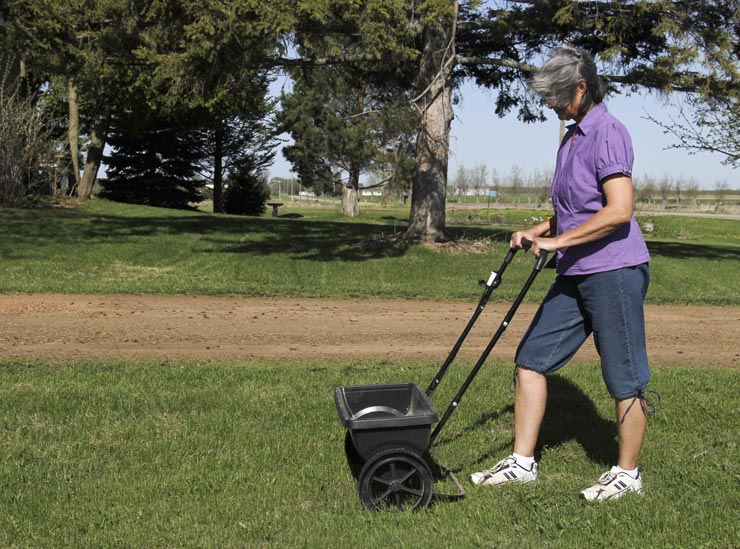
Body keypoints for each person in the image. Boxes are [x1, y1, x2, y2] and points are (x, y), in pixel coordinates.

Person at [471, 45, 656, 501]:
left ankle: (627, 474)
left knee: (624, 377)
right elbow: (575, 211)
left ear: (581, 86)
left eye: (556, 95)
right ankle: (522, 462)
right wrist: (537, 232)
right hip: (575, 271)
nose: (550, 103)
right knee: (531, 358)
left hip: (614, 269)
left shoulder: (609, 132)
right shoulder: (572, 138)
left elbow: (619, 211)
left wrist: (556, 243)